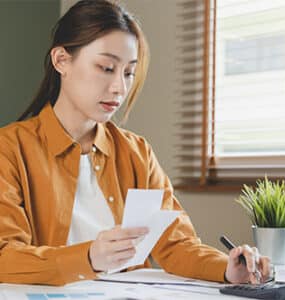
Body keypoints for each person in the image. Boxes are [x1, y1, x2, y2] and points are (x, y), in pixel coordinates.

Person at [0, 0, 270, 286]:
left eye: (128, 72)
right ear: (61, 61)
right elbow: (6, 257)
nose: (120, 88)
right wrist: (89, 258)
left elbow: (177, 244)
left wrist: (227, 270)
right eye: (106, 68)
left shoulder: (136, 152)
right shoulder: (9, 149)